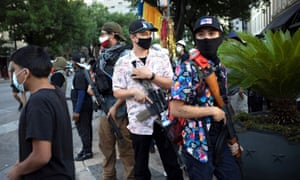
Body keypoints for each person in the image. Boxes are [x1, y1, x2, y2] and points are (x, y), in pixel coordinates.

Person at [169, 16, 242, 180]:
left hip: (222, 138)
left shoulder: (220, 67)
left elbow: (223, 103)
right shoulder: (187, 67)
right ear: (195, 38)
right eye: (201, 34)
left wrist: (233, 139)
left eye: (211, 33)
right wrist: (211, 111)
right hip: (197, 141)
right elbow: (175, 108)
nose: (207, 38)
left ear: (220, 36)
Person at [112, 19, 183, 180]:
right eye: (143, 34)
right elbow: (117, 91)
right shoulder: (123, 63)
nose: (148, 37)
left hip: (163, 117)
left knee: (172, 164)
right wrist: (133, 92)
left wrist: (151, 76)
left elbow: (172, 84)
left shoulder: (161, 58)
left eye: (149, 33)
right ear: (133, 37)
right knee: (140, 167)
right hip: (139, 122)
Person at [7, 45, 75, 180]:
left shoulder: (39, 102)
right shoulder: (55, 92)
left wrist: (17, 171)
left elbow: (41, 156)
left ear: (25, 73)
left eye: (15, 70)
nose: (14, 76)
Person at [87, 21, 135, 180]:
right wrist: (93, 90)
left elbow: (130, 85)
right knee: (106, 151)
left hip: (122, 110)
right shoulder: (102, 56)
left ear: (113, 34)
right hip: (104, 109)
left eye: (103, 34)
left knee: (127, 151)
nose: (101, 38)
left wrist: (116, 106)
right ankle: (108, 176)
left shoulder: (126, 55)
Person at [71, 53, 94, 161]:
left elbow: (81, 93)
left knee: (83, 129)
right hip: (87, 106)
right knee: (86, 128)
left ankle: (87, 151)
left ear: (75, 63)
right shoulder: (84, 72)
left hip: (83, 108)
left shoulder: (79, 74)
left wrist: (77, 111)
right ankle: (85, 149)